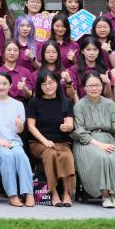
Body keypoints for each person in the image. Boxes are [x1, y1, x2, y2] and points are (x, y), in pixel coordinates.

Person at [72, 71, 115, 208]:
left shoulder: (109, 104)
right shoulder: (79, 105)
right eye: (90, 86)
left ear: (102, 86)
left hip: (107, 138)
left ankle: (114, 195)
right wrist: (99, 145)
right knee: (101, 157)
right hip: (86, 141)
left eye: (97, 85)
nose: (94, 88)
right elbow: (79, 131)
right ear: (84, 88)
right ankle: (104, 195)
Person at [0, 72, 35, 207]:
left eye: (5, 84)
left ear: (10, 85)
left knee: (21, 155)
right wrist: (0, 142)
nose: (1, 86)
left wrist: (19, 125)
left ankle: (29, 193)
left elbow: (19, 131)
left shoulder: (18, 104)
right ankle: (12, 195)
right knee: (7, 156)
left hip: (13, 141)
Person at [25, 69, 76, 207]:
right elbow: (31, 127)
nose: (48, 86)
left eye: (51, 82)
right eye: (44, 84)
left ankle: (66, 193)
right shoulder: (34, 102)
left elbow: (70, 124)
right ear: (39, 86)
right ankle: (53, 193)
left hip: (62, 142)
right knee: (50, 153)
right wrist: (45, 141)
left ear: (57, 83)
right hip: (38, 143)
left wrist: (67, 127)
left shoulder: (66, 102)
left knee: (66, 155)